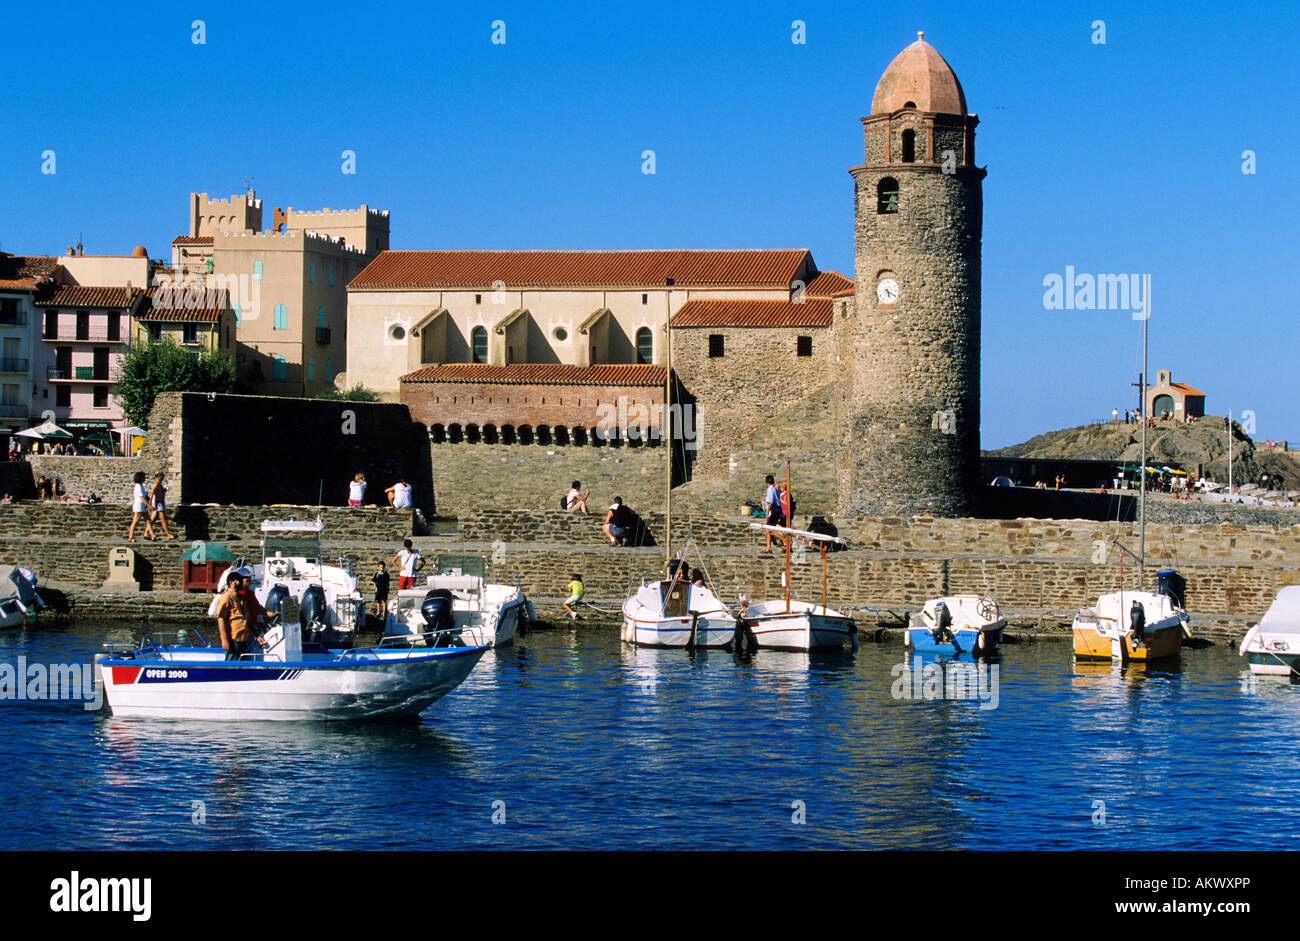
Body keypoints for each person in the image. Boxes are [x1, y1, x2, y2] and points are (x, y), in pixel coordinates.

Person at [213, 567, 271, 661]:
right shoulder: (226, 598)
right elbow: (221, 619)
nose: (240, 583)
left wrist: (257, 635)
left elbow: (247, 619)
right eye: (237, 581)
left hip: (245, 639)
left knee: (244, 664)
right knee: (232, 665)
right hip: (234, 639)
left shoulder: (241, 598)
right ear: (231, 583)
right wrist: (224, 639)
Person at [127, 471, 156, 541]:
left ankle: (152, 535)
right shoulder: (138, 486)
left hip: (143, 506)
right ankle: (130, 536)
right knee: (135, 521)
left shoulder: (141, 486)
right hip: (139, 506)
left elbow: (145, 496)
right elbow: (141, 497)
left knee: (148, 520)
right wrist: (149, 505)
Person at [148, 471, 177, 540]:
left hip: (159, 502)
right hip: (157, 503)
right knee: (162, 518)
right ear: (159, 476)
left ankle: (146, 533)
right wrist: (150, 504)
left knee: (153, 519)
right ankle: (168, 534)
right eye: (162, 475)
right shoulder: (156, 484)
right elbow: (151, 493)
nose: (163, 477)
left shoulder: (159, 484)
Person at [761, 475, 783, 553]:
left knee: (769, 530)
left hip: (773, 512)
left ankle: (784, 540)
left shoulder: (770, 489)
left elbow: (770, 502)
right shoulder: (775, 489)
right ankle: (768, 547)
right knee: (768, 530)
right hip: (776, 511)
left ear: (766, 482)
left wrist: (767, 514)